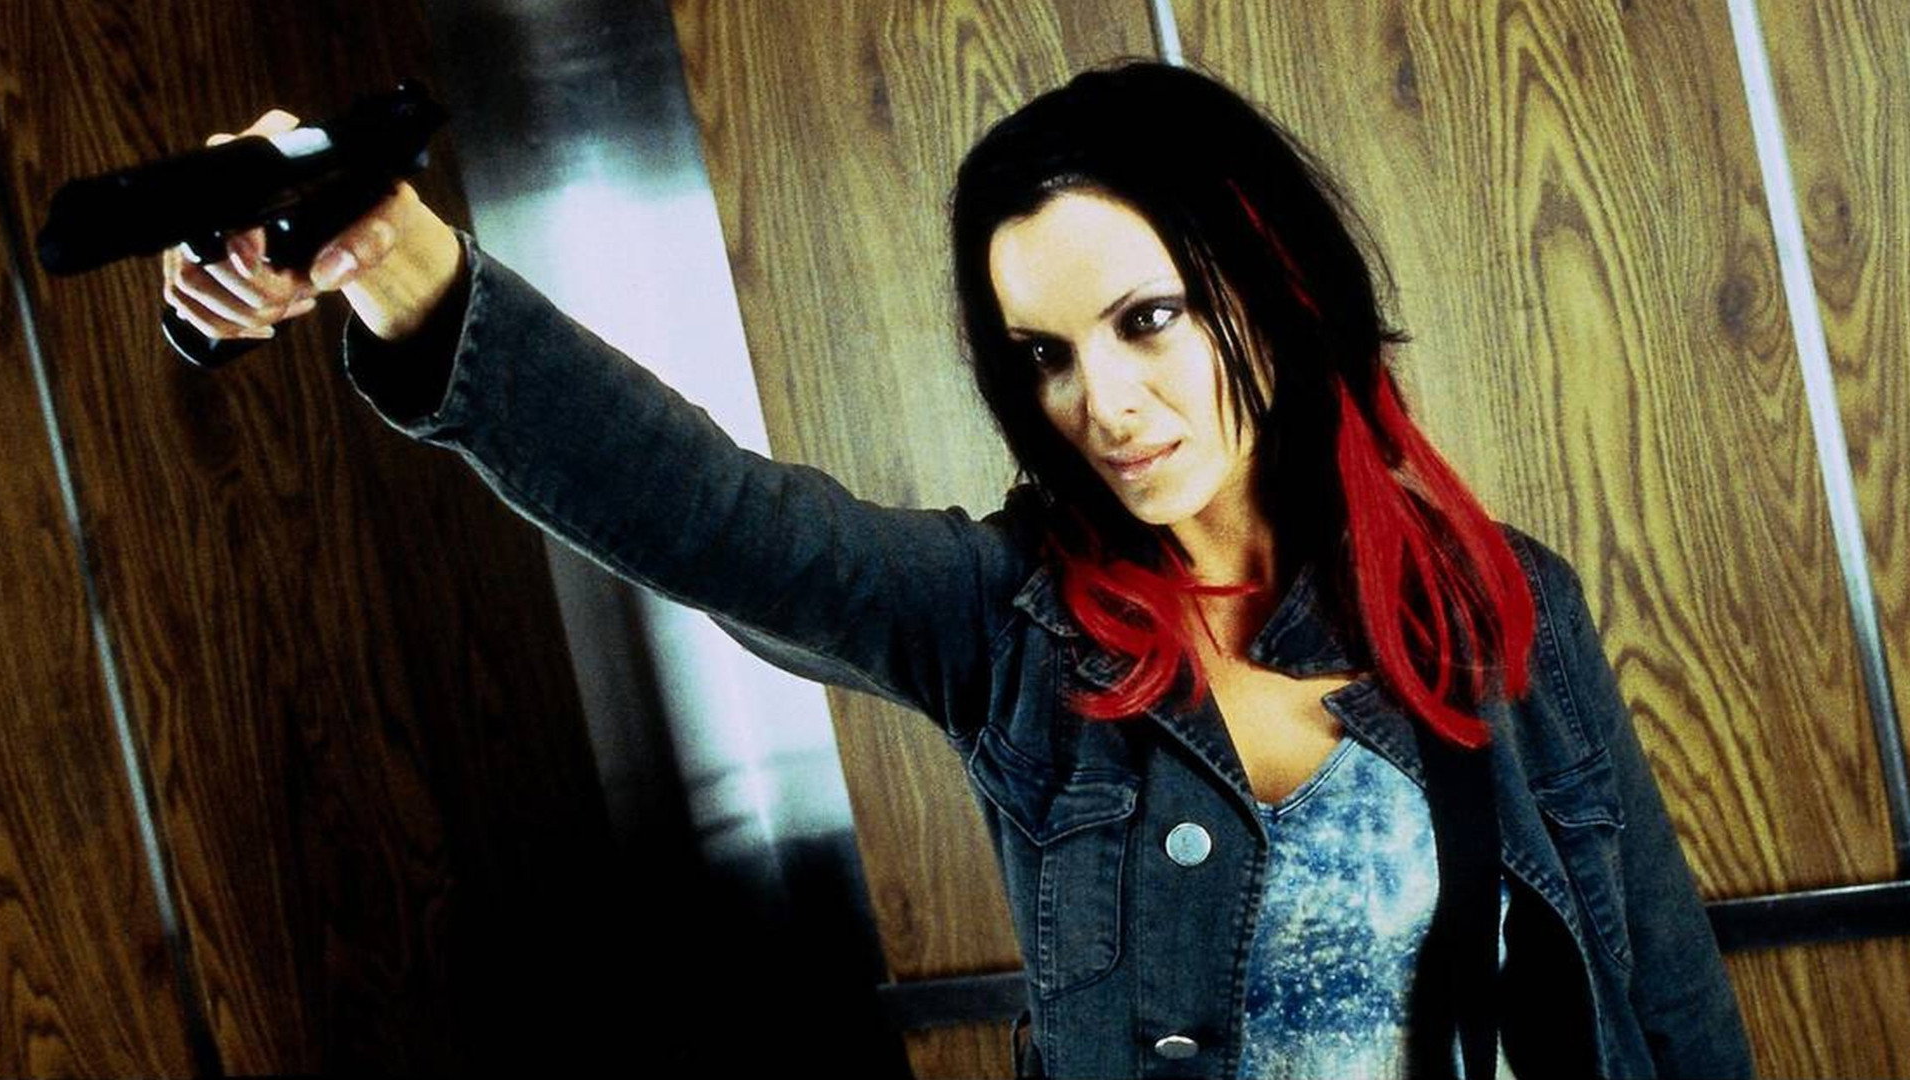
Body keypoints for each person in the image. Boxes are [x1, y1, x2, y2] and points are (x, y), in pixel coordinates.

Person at [162, 61, 1752, 1079]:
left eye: (1147, 321)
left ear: (1269, 285)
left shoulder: (1499, 603)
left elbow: (1664, 990)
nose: (1100, 405)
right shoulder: (1009, 628)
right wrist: (404, 267)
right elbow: (714, 520)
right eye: (1044, 355)